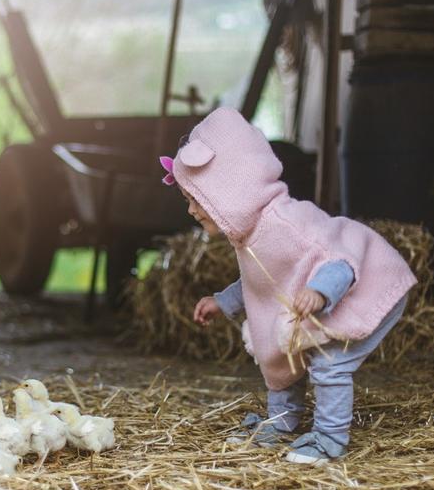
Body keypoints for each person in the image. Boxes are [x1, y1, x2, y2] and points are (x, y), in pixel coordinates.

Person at [159, 107, 416, 465]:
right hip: (319, 295)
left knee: (329, 363)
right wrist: (224, 302)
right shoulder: (248, 235)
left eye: (196, 200)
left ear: (230, 188)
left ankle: (329, 439)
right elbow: (259, 280)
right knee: (282, 352)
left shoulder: (286, 221)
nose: (191, 211)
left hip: (365, 283)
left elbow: (338, 258)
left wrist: (321, 292)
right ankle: (282, 423)